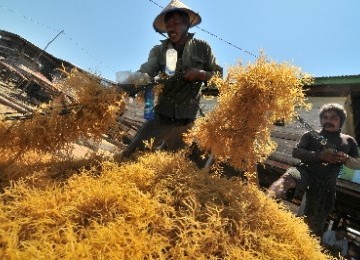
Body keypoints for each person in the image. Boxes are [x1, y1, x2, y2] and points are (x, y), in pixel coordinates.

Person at [115, 0, 221, 160]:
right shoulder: (159, 51)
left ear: (187, 25)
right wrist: (119, 87)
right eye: (168, 24)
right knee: (131, 156)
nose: (171, 27)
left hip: (187, 123)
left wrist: (200, 74)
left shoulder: (202, 48)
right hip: (161, 117)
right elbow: (145, 72)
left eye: (176, 23)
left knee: (169, 168)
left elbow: (218, 79)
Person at [267, 103, 360, 235]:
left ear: (341, 121)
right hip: (305, 170)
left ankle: (301, 240)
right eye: (325, 117)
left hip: (327, 182)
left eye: (333, 118)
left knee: (314, 219)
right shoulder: (310, 134)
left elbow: (357, 164)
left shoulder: (349, 141)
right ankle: (263, 204)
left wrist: (346, 159)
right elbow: (296, 152)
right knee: (286, 179)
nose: (328, 120)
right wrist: (319, 155)